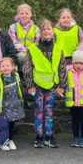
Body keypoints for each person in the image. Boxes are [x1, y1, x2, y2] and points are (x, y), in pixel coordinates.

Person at [22, 19, 66, 148]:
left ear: (52, 32)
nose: (47, 32)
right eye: (44, 29)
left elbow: (62, 68)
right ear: (40, 32)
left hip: (52, 86)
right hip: (37, 87)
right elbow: (27, 68)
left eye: (49, 29)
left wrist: (62, 86)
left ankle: (49, 135)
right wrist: (29, 85)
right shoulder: (32, 48)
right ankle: (39, 136)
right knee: (39, 112)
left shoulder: (58, 49)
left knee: (49, 112)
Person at [0, 56, 25, 151]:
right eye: (3, 66)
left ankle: (10, 139)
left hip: (14, 104)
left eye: (8, 65)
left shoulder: (16, 77)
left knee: (12, 123)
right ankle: (2, 141)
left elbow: (19, 88)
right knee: (3, 124)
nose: (5, 68)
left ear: (13, 67)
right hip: (3, 106)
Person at [8, 3, 39, 69]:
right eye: (22, 13)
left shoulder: (35, 28)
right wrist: (25, 51)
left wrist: (31, 51)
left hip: (32, 52)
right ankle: (21, 73)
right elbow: (13, 41)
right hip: (18, 53)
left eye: (27, 13)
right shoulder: (13, 27)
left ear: (30, 14)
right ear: (18, 15)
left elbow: (37, 42)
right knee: (22, 56)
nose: (24, 15)